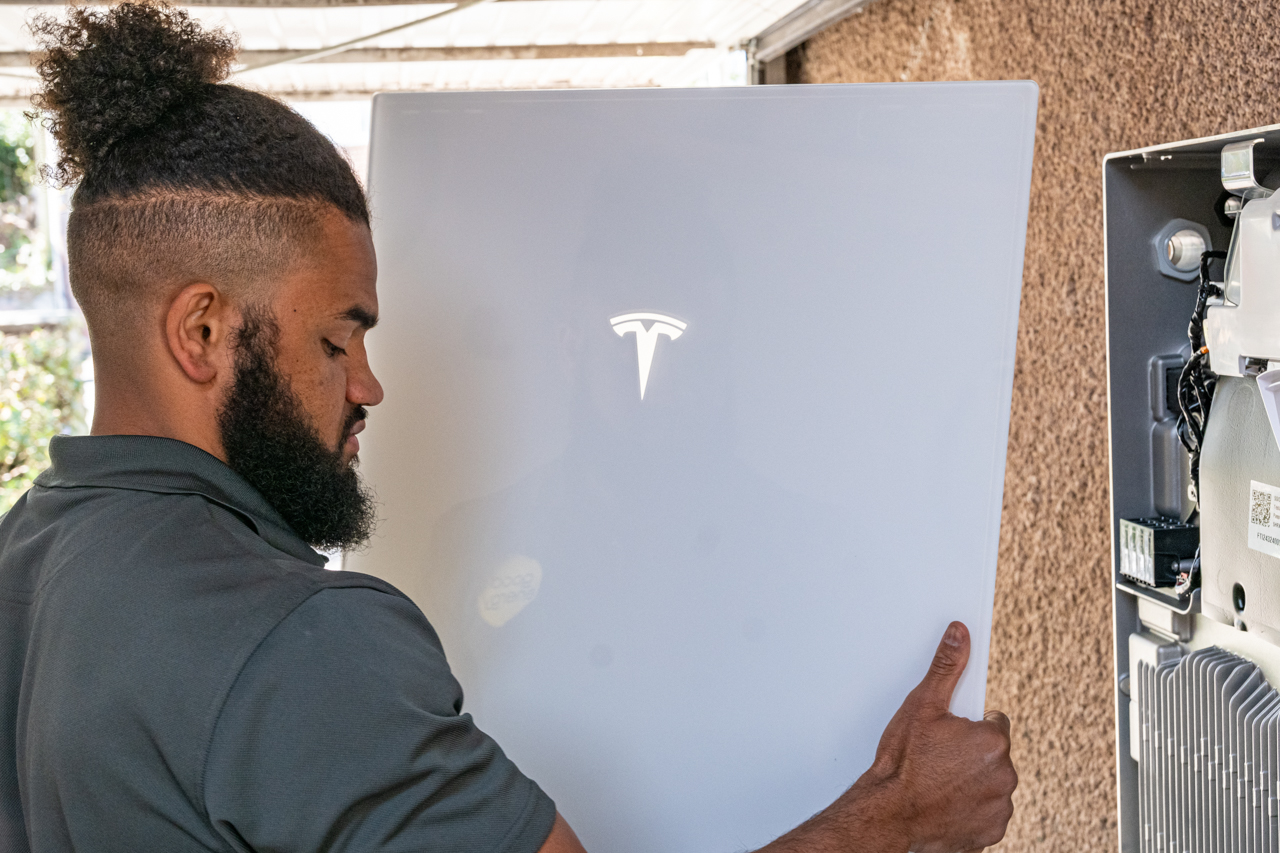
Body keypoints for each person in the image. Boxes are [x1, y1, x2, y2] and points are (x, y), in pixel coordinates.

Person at [0, 4, 1017, 852]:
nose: (369, 384)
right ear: (203, 331)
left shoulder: (26, 564)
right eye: (337, 339)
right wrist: (897, 822)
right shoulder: (297, 641)